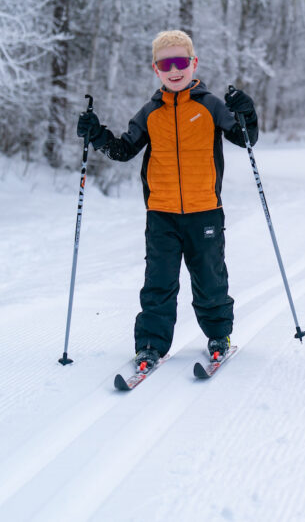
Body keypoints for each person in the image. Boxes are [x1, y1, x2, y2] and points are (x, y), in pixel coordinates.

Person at [76, 30, 259, 372]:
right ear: (156, 69)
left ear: (194, 64)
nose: (174, 70)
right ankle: (150, 345)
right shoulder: (150, 112)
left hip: (205, 211)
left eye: (181, 62)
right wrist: (96, 135)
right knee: (158, 282)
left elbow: (245, 138)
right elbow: (124, 149)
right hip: (161, 213)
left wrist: (246, 113)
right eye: (166, 64)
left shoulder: (210, 106)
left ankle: (219, 336)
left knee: (210, 279)